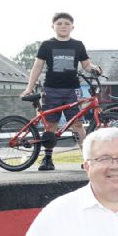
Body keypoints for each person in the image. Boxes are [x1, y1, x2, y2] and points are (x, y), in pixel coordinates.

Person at [21, 12, 102, 172]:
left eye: (66, 23)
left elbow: (86, 65)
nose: (63, 26)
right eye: (59, 23)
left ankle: (87, 160)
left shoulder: (78, 45)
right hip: (51, 89)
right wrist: (29, 87)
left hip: (73, 90)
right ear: (53, 27)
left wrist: (95, 69)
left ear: (72, 27)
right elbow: (37, 66)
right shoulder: (47, 45)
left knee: (78, 125)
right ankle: (47, 159)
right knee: (51, 125)